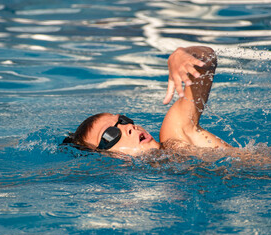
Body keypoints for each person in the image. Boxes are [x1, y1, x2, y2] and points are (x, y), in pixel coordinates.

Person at [63, 46, 231, 157]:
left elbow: (207, 60)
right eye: (110, 134)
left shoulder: (176, 137)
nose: (129, 127)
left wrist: (182, 55)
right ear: (101, 156)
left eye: (123, 120)